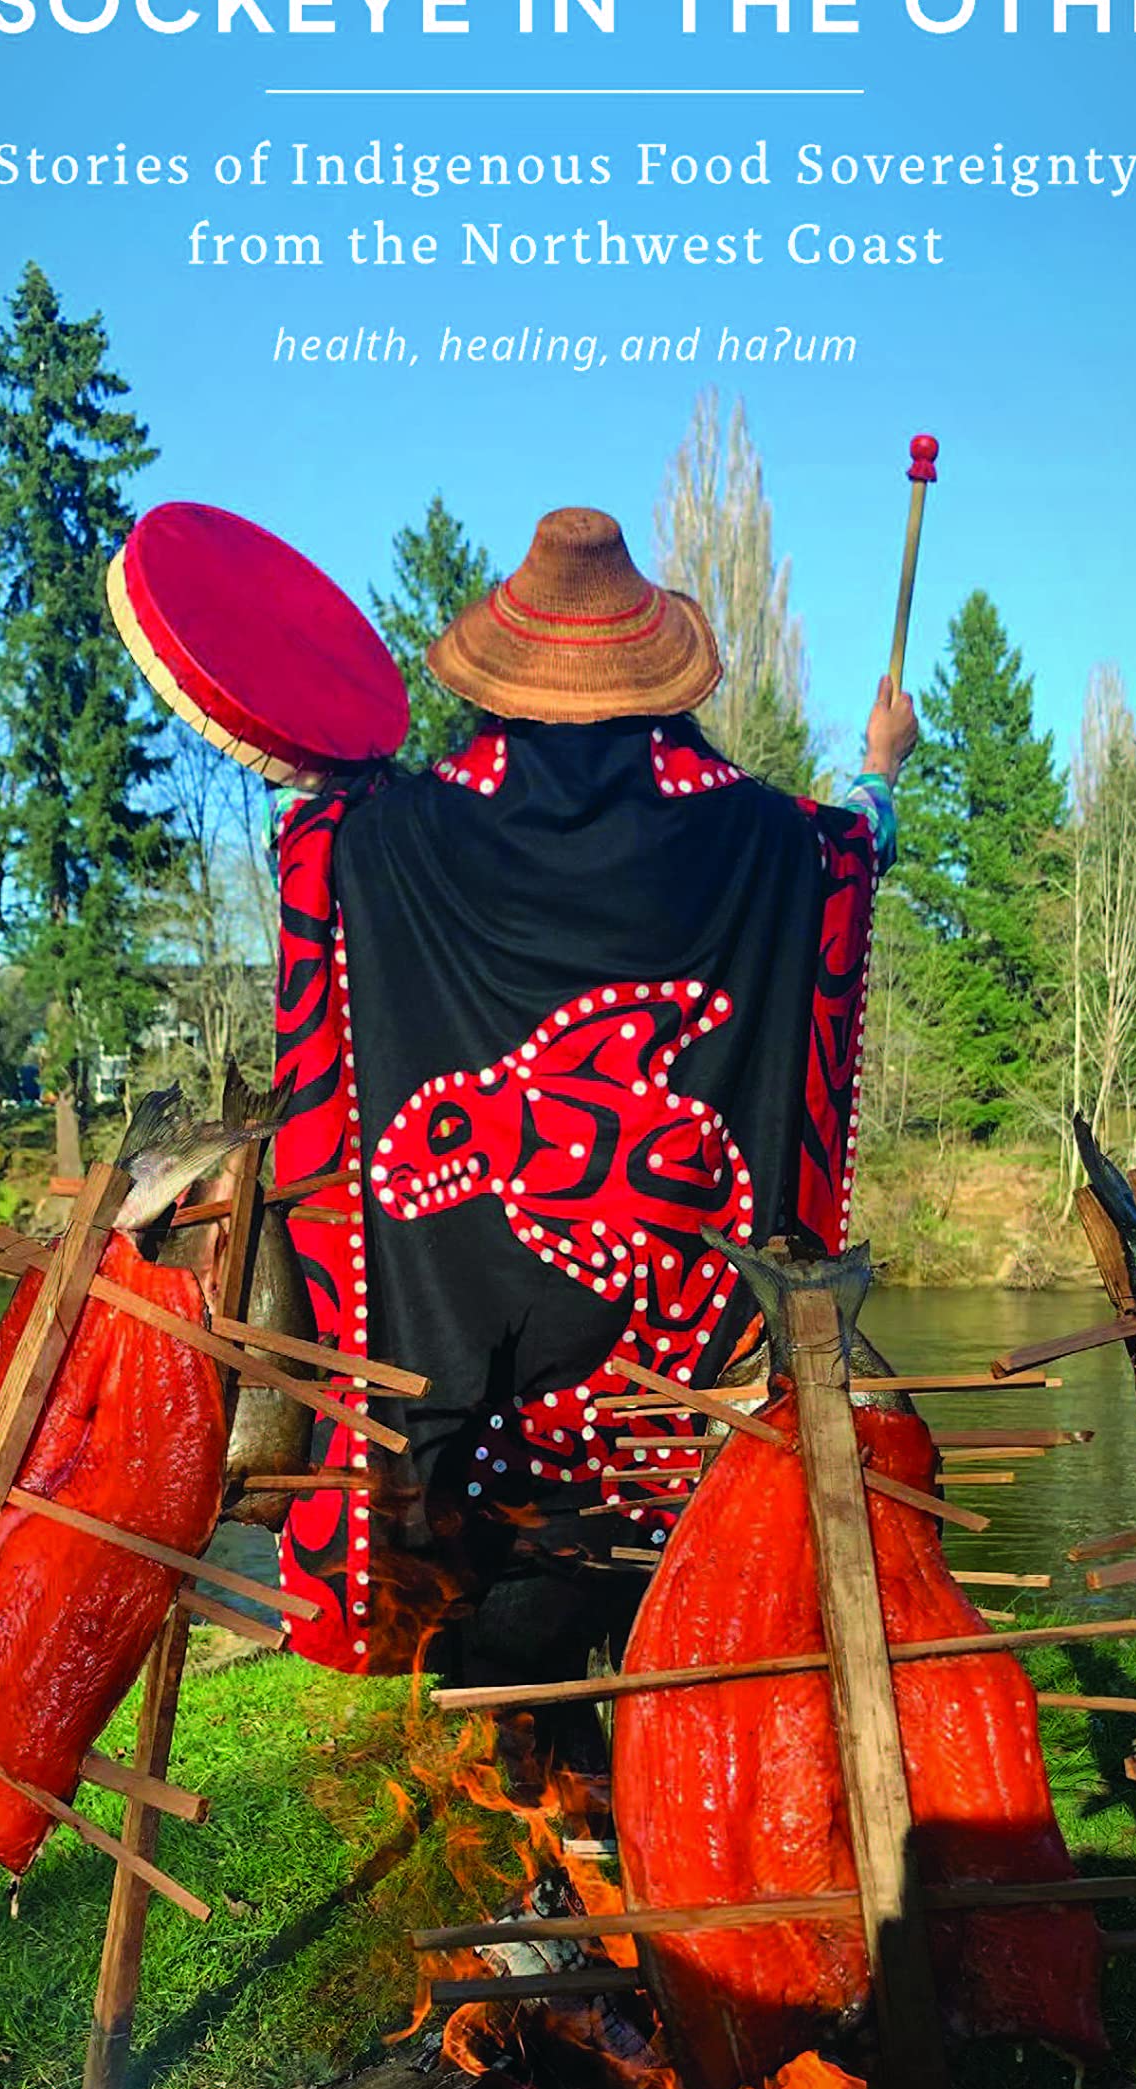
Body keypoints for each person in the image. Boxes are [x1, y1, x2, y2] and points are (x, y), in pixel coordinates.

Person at [272, 507, 916, 1787]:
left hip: (463, 1366)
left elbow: (315, 841)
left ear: (502, 676)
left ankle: (535, 1739)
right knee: (655, 1540)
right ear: (655, 679)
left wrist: (309, 774)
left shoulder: (394, 834)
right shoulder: (751, 835)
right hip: (668, 1371)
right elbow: (852, 848)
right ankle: (594, 1723)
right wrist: (881, 764)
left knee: (506, 1615)